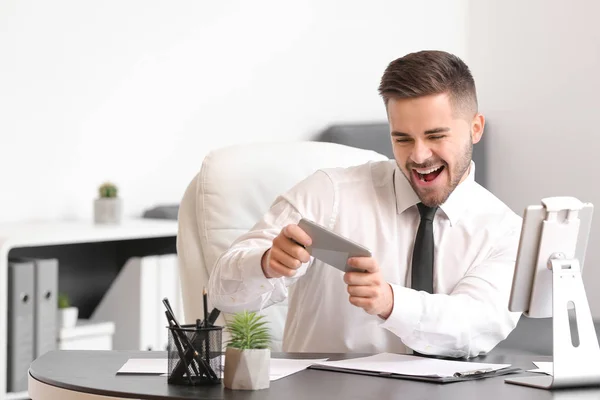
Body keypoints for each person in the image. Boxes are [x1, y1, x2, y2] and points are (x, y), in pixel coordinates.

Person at [207, 50, 522, 358]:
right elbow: (223, 292)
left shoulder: (504, 232)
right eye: (402, 139)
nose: (419, 156)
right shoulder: (328, 193)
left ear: (475, 128)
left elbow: (477, 326)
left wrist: (390, 303)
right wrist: (265, 263)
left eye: (435, 136)